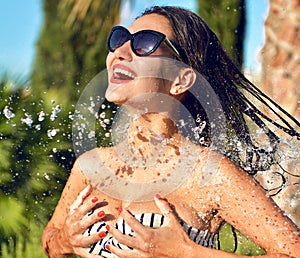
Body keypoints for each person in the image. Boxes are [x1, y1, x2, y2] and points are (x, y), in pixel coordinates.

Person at [42, 5, 300, 258]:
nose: (120, 51)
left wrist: (187, 252)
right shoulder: (91, 167)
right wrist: (64, 240)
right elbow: (50, 239)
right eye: (119, 38)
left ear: (181, 80)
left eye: (144, 43)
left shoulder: (209, 174)